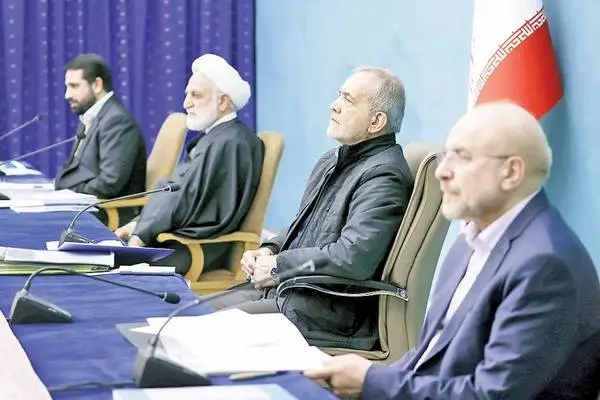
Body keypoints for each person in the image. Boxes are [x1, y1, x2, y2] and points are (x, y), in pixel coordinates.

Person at [305, 101, 600, 399]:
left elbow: (490, 396)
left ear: (511, 172)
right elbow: (428, 357)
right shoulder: (469, 242)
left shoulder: (544, 265)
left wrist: (371, 382)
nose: (442, 172)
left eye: (461, 157)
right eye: (446, 156)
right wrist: (365, 376)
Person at [205, 66, 413, 351]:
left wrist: (278, 266)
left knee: (201, 330)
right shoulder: (333, 160)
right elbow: (302, 226)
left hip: (327, 313)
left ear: (376, 121)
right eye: (339, 95)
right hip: (291, 293)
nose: (334, 105)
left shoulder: (384, 175)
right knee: (190, 314)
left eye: (348, 100)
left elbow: (352, 258)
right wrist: (268, 250)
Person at [115, 54, 264, 276]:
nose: (186, 103)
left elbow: (192, 202)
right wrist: (139, 224)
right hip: (176, 237)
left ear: (222, 101)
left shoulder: (231, 142)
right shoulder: (215, 137)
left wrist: (141, 234)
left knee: (114, 268)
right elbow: (179, 193)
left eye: (196, 95)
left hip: (197, 248)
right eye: (187, 95)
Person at [56, 53, 146, 223]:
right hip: (87, 206)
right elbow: (77, 169)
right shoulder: (90, 115)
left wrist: (68, 192)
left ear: (97, 85)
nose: (67, 95)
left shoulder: (117, 121)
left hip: (108, 213)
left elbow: (109, 183)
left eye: (74, 86)